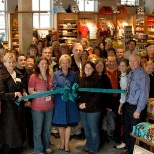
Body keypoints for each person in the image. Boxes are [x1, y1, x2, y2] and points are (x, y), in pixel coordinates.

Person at [0, 53, 27, 154]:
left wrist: (23, 91)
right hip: (8, 110)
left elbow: (22, 86)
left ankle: (18, 149)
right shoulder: (1, 76)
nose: (11, 64)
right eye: (9, 62)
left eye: (13, 62)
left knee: (19, 132)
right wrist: (15, 94)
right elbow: (1, 94)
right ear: (5, 63)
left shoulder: (18, 73)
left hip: (19, 108)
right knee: (10, 135)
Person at [123, 53, 150, 154]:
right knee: (127, 130)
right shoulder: (131, 72)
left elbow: (144, 95)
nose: (132, 63)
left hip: (136, 109)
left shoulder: (143, 75)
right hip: (128, 105)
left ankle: (133, 152)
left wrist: (138, 110)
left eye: (134, 61)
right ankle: (129, 150)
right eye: (130, 61)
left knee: (135, 133)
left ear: (139, 61)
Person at [52, 54, 79, 153]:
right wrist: (64, 90)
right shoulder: (55, 74)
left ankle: (67, 144)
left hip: (70, 102)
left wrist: (71, 90)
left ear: (69, 64)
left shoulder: (73, 74)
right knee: (61, 125)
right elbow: (54, 87)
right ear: (60, 64)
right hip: (59, 102)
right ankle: (62, 142)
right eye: (63, 63)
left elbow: (76, 86)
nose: (64, 64)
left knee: (69, 124)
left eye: (66, 62)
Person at [28, 57, 54, 154]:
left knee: (47, 129)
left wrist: (51, 91)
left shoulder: (50, 75)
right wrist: (39, 93)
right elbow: (30, 90)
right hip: (37, 108)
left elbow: (52, 88)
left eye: (46, 64)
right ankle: (38, 149)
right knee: (38, 130)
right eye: (42, 64)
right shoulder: (33, 77)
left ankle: (47, 146)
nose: (44, 65)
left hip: (49, 106)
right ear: (38, 65)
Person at [78, 61, 104, 154]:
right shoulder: (81, 79)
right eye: (86, 68)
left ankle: (93, 148)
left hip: (94, 109)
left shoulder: (98, 80)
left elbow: (97, 96)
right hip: (83, 109)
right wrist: (79, 103)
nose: (88, 70)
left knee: (94, 129)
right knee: (86, 128)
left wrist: (86, 105)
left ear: (93, 69)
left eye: (90, 68)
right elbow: (78, 93)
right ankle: (88, 145)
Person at [94, 58, 113, 146]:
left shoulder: (106, 78)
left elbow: (110, 93)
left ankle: (100, 141)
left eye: (101, 65)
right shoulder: (92, 76)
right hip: (93, 105)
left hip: (103, 105)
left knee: (100, 124)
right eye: (98, 65)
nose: (99, 67)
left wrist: (109, 105)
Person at [114, 59, 129, 149]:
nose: (122, 67)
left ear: (127, 67)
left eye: (124, 66)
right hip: (125, 102)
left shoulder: (125, 78)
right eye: (121, 65)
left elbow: (123, 94)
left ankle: (124, 142)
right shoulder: (122, 76)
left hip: (125, 103)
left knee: (124, 123)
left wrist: (120, 106)